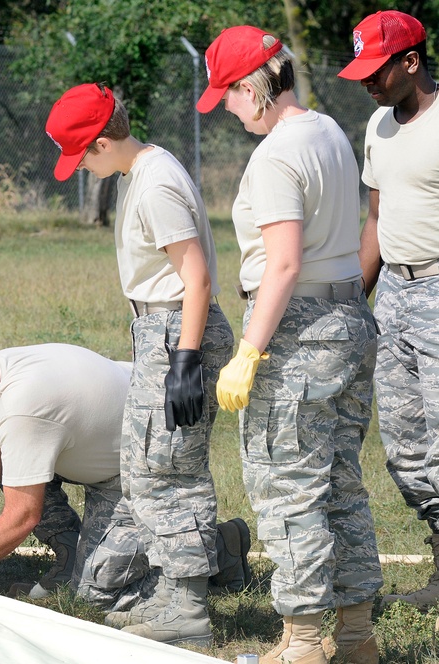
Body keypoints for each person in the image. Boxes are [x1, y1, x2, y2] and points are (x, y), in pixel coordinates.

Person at [198, 26, 381, 664]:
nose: (224, 105)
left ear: (253, 87)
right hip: (350, 319)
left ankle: (302, 645)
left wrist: (249, 350)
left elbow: (281, 264)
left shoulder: (276, 155)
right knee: (339, 484)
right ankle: (358, 637)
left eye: (227, 93)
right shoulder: (329, 128)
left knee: (288, 488)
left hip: (299, 333)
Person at [44, 83, 236, 647]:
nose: (80, 167)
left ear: (102, 142)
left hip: (178, 329)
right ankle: (177, 588)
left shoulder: (155, 186)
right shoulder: (143, 172)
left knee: (168, 470)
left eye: (81, 156)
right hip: (161, 329)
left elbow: (195, 279)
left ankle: (188, 607)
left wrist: (185, 361)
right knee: (150, 465)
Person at [0, 346, 250, 619]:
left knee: (96, 595)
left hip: (139, 463)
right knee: (10, 467)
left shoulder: (21, 409)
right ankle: (75, 554)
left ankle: (218, 547)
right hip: (93, 450)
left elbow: (23, 515)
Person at [338, 11, 439, 617]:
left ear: (411, 61)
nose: (366, 83)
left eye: (376, 71)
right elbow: (376, 218)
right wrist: (356, 299)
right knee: (405, 450)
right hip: (397, 296)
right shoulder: (378, 124)